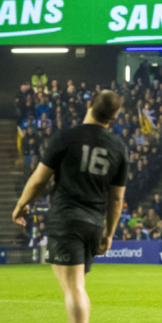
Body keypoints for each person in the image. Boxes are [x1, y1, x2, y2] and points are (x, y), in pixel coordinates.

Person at [12, 90, 127, 323]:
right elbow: (116, 199)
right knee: (75, 285)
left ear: (90, 104)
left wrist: (22, 204)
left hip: (67, 219)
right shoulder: (118, 148)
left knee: (73, 286)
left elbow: (39, 179)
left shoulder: (66, 137)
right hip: (94, 223)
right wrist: (110, 233)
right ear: (113, 119)